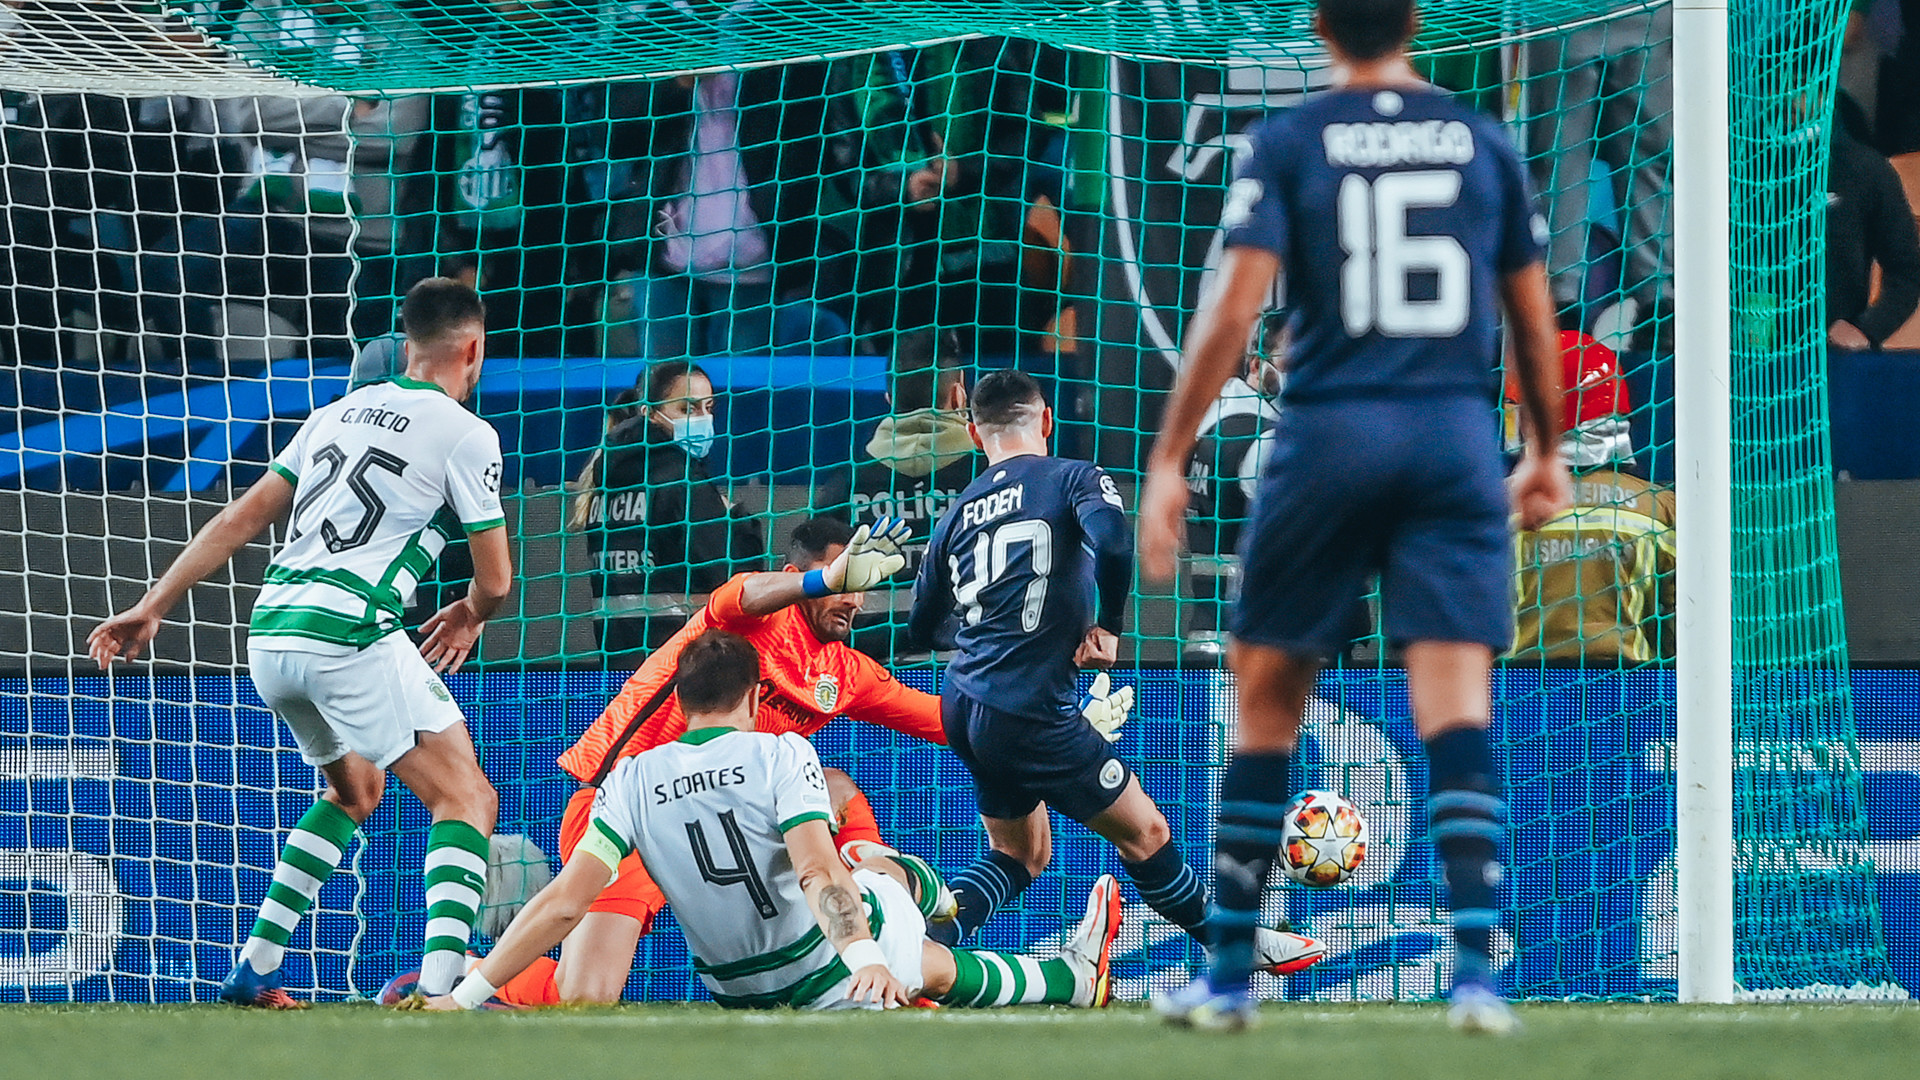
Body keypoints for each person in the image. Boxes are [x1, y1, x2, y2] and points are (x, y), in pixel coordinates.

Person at [1137, 0, 1572, 1033]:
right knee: (1457, 710)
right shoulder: (1483, 140)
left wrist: (1169, 455)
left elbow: (1234, 310)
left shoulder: (1289, 140)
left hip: (1327, 435)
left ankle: (1232, 979)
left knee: (1267, 705)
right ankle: (1474, 977)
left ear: (1320, 26)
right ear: (1415, 20)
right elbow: (1532, 312)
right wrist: (1547, 449)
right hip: (1451, 441)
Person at [86, 278, 511, 1007]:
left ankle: (255, 968)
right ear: (472, 348)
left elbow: (238, 519)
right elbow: (496, 578)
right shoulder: (466, 433)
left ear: (407, 343)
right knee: (466, 797)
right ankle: (441, 992)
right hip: (349, 633)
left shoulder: (330, 415)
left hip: (273, 634)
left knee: (355, 790)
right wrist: (472, 611)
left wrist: (152, 605)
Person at [488, 516, 1099, 1006]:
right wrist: (821, 581)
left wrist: (1050, 728)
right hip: (625, 809)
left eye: (859, 585)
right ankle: (474, 976)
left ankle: (885, 891)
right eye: (844, 582)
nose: (854, 598)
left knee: (831, 785)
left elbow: (954, 723)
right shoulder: (747, 621)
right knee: (587, 996)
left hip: (730, 828)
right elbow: (741, 594)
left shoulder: (845, 670)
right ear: (799, 575)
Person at [422, 629, 1121, 1012]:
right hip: (828, 969)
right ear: (758, 697)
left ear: (679, 699)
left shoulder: (630, 778)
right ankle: (954, 904)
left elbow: (562, 901)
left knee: (930, 965)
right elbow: (817, 870)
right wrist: (866, 958)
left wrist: (466, 996)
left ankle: (1064, 977)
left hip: (737, 991)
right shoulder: (783, 752)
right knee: (870, 874)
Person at [907, 370, 1326, 978]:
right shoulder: (1074, 476)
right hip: (1027, 708)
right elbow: (1114, 543)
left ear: (975, 434)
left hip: (963, 704)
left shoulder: (958, 512)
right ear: (1047, 420)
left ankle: (919, 944)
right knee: (1147, 832)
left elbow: (923, 627)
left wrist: (998, 643)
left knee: (1019, 853)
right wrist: (1107, 626)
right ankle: (1233, 943)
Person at [568, 361, 766, 657]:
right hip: (684, 667)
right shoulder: (681, 481)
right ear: (649, 413)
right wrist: (739, 520)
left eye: (709, 408)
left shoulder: (602, 484)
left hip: (618, 663)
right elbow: (732, 580)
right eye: (688, 409)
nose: (703, 420)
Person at [1513, 332, 1676, 662]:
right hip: (1635, 698)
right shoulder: (1659, 507)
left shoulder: (1497, 503)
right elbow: (1685, 619)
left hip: (1517, 695)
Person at [815, 334, 977, 661]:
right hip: (970, 653)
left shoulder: (846, 482)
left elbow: (814, 573)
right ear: (959, 394)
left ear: (889, 396)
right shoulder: (989, 476)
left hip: (865, 658)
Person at [1827, 91, 1920, 351]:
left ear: (1825, 91)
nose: (1789, 96)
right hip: (1748, 354)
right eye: (1777, 85)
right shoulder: (1742, 167)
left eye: (1801, 85)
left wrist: (1866, 328)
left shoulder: (1864, 171)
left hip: (1835, 358)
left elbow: (1907, 270)